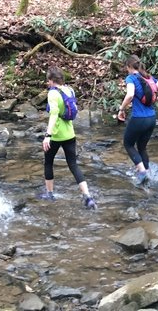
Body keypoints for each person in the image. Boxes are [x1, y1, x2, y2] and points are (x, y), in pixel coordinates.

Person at [40, 66, 97, 209]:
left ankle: (49, 194)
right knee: (73, 165)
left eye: (48, 80)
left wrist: (48, 135)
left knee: (48, 163)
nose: (48, 83)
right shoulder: (69, 90)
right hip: (70, 134)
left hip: (56, 136)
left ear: (52, 80)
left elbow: (53, 115)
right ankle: (87, 196)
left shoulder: (53, 94)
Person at [117, 55, 158, 185]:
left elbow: (130, 95)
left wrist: (121, 109)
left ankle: (142, 172)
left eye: (126, 67)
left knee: (128, 144)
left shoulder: (131, 78)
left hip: (138, 118)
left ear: (129, 67)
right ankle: (146, 174)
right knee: (142, 147)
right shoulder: (149, 78)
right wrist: (154, 101)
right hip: (151, 117)